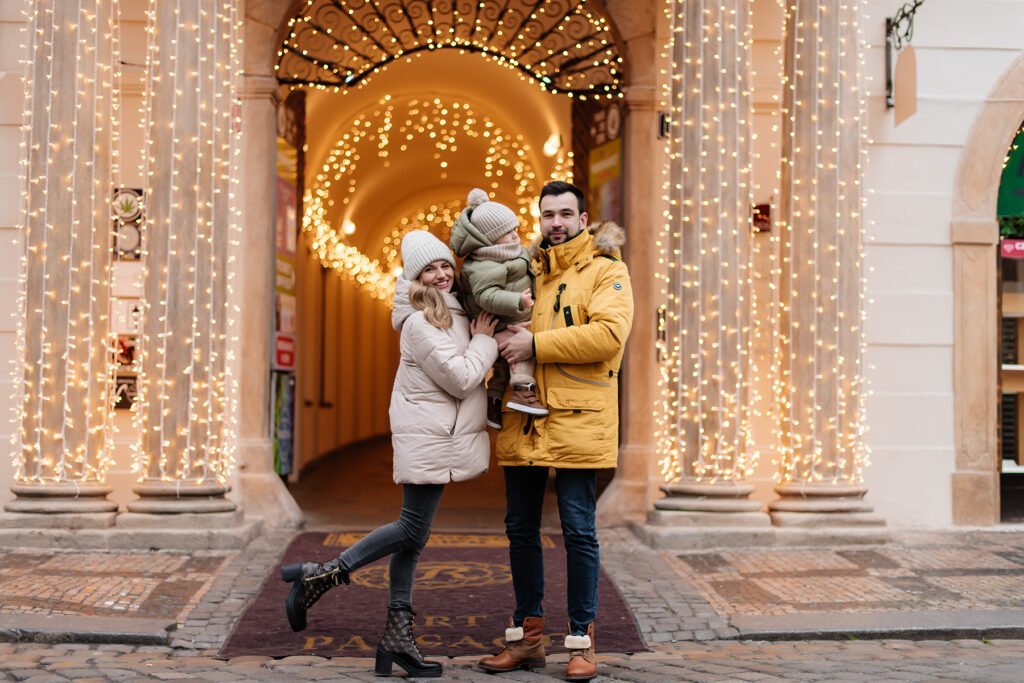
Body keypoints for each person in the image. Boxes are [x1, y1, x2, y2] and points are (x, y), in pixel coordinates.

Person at [282, 230, 498, 679]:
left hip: (439, 434)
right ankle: (321, 576)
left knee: (413, 537)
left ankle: (396, 639)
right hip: (428, 435)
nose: (440, 275)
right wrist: (484, 342)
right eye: (429, 269)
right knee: (410, 528)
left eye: (444, 266)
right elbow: (460, 378)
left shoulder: (455, 313)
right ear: (415, 278)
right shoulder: (421, 321)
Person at [477, 181, 633, 682]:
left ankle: (582, 641)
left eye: (566, 213)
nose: (556, 223)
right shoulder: (526, 272)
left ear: (584, 220)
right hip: (526, 418)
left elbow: (609, 336)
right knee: (520, 530)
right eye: (548, 215)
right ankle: (527, 639)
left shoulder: (607, 271)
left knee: (578, 531)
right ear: (539, 220)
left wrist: (535, 346)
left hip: (577, 421)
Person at [449, 188, 547, 428]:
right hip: (505, 319)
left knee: (502, 368)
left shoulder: (505, 253)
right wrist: (517, 301)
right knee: (521, 356)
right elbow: (486, 296)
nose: (515, 235)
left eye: (515, 229)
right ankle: (523, 393)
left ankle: (492, 404)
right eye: (507, 232)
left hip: (506, 319)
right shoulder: (483, 264)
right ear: (490, 239)